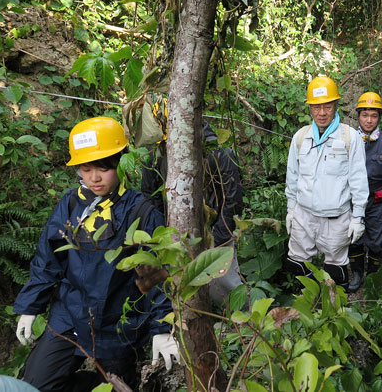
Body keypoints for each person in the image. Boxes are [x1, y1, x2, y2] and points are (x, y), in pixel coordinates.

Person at [13, 117, 179, 392]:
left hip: (118, 321)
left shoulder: (141, 212)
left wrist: (162, 327)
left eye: (104, 168)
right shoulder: (70, 204)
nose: (95, 178)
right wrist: (30, 307)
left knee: (116, 387)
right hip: (70, 314)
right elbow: (48, 258)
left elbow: (158, 273)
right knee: (36, 385)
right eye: (86, 169)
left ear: (120, 163)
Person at [141, 118, 244, 306]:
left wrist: (219, 239)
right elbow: (150, 195)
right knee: (181, 285)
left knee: (223, 282)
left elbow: (232, 200)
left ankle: (242, 324)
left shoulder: (218, 153)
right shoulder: (156, 155)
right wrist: (162, 232)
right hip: (176, 232)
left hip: (215, 231)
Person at [285, 76, 369, 289]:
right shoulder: (301, 138)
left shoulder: (350, 138)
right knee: (297, 264)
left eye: (327, 106)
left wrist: (358, 216)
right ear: (310, 108)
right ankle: (308, 306)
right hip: (304, 215)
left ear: (335, 106)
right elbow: (293, 176)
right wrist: (291, 209)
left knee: (336, 270)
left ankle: (333, 312)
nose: (322, 113)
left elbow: (358, 180)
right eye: (316, 107)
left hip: (336, 218)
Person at [347, 92, 382, 292]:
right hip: (351, 201)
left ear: (379, 117)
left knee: (377, 243)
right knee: (353, 240)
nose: (369, 120)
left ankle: (372, 276)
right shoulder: (348, 139)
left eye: (373, 116)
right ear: (358, 116)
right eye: (364, 115)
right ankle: (357, 275)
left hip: (377, 201)